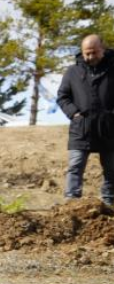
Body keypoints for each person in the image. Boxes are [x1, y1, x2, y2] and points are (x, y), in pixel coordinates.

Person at [57, 34, 114, 204]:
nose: (90, 57)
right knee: (75, 167)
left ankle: (109, 203)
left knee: (112, 170)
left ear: (102, 49)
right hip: (81, 129)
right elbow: (62, 97)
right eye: (86, 53)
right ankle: (71, 202)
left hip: (110, 128)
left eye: (94, 53)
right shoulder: (72, 71)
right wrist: (74, 113)